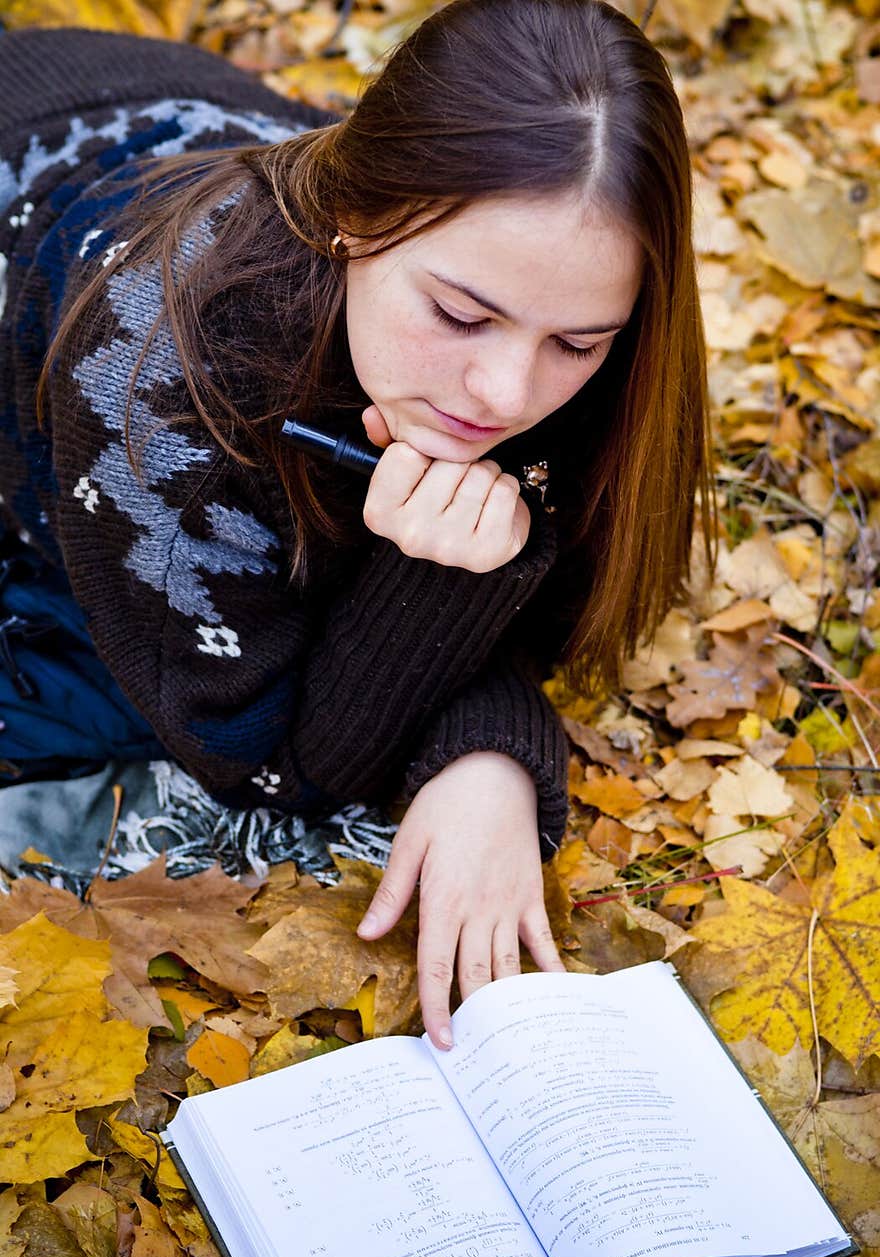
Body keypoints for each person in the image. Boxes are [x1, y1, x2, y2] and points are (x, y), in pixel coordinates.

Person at [0, 0, 713, 1050]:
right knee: (90, 693)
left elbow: (553, 610)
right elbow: (271, 762)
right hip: (44, 159)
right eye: (460, 316)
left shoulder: (548, 275)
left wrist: (486, 750)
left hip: (159, 119)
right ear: (353, 216)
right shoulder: (153, 380)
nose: (505, 390)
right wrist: (450, 604)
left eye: (578, 341)